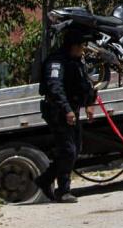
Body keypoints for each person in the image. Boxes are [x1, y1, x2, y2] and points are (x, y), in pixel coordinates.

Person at [34, 29, 97, 203]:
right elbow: (55, 87)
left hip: (72, 109)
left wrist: (90, 103)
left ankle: (45, 180)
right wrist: (67, 110)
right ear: (73, 46)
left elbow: (86, 84)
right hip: (58, 111)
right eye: (81, 46)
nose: (83, 50)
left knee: (75, 149)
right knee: (68, 150)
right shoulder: (56, 61)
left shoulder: (76, 61)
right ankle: (63, 191)